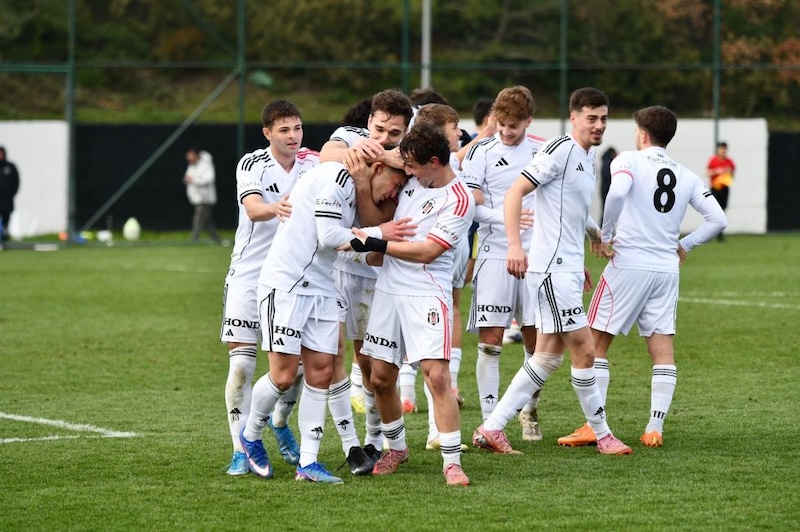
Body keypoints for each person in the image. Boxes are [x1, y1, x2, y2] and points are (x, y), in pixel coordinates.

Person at [473, 87, 632, 456]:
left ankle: (492, 427)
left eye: (604, 118)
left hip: (566, 269)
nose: (599, 125)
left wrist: (593, 238)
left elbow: (570, 211)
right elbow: (516, 192)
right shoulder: (560, 149)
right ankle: (603, 434)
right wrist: (515, 245)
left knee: (546, 356)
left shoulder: (587, 158)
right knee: (585, 350)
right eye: (591, 118)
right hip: (550, 271)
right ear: (574, 117)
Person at [559, 106, 727, 449]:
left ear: (643, 134)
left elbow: (618, 193)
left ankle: (595, 425)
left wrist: (604, 234)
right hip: (666, 268)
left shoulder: (627, 160)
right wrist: (685, 246)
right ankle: (654, 427)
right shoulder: (687, 174)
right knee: (662, 351)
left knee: (595, 343)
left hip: (629, 262)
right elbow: (718, 219)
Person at [239, 154, 410, 483]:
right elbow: (329, 236)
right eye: (396, 184)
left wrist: (370, 229)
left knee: (321, 372)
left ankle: (308, 463)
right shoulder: (334, 178)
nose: (394, 193)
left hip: (322, 287)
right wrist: (380, 232)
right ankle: (250, 434)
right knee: (284, 376)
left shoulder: (352, 190)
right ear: (377, 168)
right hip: (286, 284)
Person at [357, 123, 476, 486]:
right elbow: (387, 156)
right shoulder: (413, 178)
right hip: (389, 291)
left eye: (413, 166)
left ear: (435, 162)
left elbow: (428, 251)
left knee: (437, 376)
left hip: (427, 292)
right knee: (379, 378)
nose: (406, 172)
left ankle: (452, 461)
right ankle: (397, 447)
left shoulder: (459, 198)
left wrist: (376, 244)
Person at [220, 100, 319, 475]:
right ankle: (240, 449)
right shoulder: (252, 163)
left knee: (294, 368)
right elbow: (253, 207)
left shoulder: (314, 162)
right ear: (267, 133)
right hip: (248, 275)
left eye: (297, 128)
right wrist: (278, 207)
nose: (293, 136)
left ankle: (278, 422)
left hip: (292, 278)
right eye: (284, 130)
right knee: (243, 365)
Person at [321, 89, 414, 454]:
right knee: (324, 357)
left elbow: (379, 227)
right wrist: (367, 152)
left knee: (370, 363)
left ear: (406, 130)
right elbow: (325, 156)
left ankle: (376, 438)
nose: (384, 138)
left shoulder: (408, 164)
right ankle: (344, 442)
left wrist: (363, 180)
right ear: (370, 120)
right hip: (331, 266)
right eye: (379, 129)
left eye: (394, 133)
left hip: (369, 272)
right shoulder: (351, 137)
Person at [462, 86, 544, 442]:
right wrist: (505, 216)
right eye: (501, 124)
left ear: (528, 121)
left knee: (535, 341)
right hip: (495, 253)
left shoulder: (542, 152)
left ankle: (528, 411)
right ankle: (489, 424)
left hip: (536, 258)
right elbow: (469, 205)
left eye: (514, 125)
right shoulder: (480, 152)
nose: (506, 131)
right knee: (491, 340)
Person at [183, 147, 221, 243]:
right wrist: (187, 179)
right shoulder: (192, 166)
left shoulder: (206, 165)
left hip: (205, 198)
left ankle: (194, 239)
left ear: (196, 155)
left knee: (198, 218)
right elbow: (187, 177)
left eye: (190, 156)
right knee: (207, 220)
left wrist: (193, 180)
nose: (189, 159)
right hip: (196, 198)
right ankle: (216, 239)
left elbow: (208, 180)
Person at [706, 141, 735, 241]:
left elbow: (732, 174)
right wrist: (717, 171)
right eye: (722, 149)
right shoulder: (713, 161)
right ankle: (709, 234)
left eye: (725, 149)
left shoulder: (729, 162)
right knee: (713, 211)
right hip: (715, 188)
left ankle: (720, 234)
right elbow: (708, 172)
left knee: (723, 210)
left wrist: (728, 173)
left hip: (724, 187)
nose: (723, 151)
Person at [0, 146, 20, 242]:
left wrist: (11, 194)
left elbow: (16, 182)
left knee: (5, 220)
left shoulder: (10, 167)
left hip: (6, 201)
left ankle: (4, 239)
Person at [599, 146, 618, 213]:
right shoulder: (608, 165)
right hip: (607, 191)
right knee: (606, 211)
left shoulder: (605, 163)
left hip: (605, 190)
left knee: (605, 211)